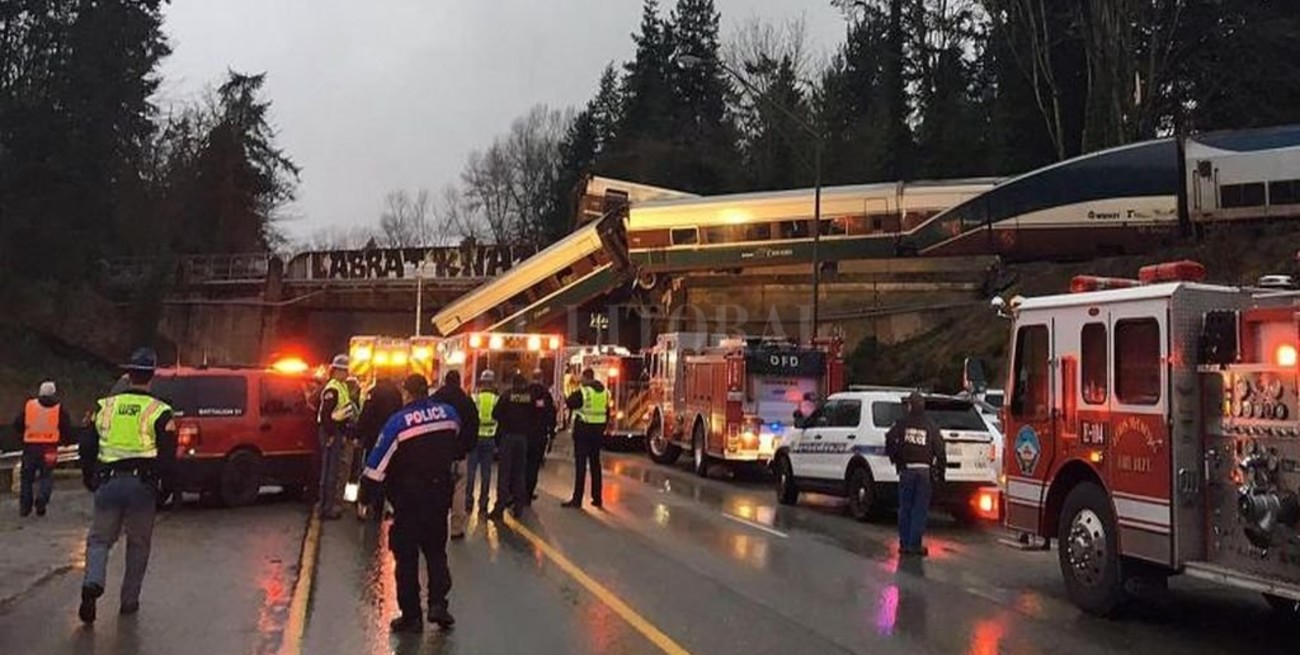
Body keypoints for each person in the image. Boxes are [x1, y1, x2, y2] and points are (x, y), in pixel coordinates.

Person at [77, 348, 177, 623]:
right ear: (152, 375)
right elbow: (168, 455)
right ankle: (129, 601)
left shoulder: (103, 407)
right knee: (138, 544)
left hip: (107, 482)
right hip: (141, 486)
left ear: (128, 374)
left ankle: (93, 581)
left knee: (99, 540)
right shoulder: (160, 411)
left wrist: (89, 476)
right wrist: (166, 487)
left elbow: (86, 445)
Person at [363, 374, 461, 633]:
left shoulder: (398, 423)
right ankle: (438, 604)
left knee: (406, 558)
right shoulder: (448, 414)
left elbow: (376, 466)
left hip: (409, 500)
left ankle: (411, 616)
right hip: (439, 496)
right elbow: (458, 440)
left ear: (407, 393)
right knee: (436, 552)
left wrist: (366, 497)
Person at [885, 392, 946, 557]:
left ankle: (904, 544)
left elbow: (889, 439)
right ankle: (914, 544)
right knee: (920, 509)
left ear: (910, 406)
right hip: (924, 472)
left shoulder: (902, 423)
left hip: (907, 470)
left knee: (905, 508)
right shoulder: (930, 425)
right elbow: (940, 450)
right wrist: (941, 473)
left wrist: (896, 459)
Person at [12, 381, 73, 517]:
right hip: (49, 447)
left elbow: (17, 424)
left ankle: (25, 507)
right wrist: (66, 442)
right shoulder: (59, 409)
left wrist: (21, 438)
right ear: (54, 393)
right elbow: (66, 427)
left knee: (27, 478)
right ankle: (42, 499)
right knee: (46, 475)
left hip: (30, 446)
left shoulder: (30, 406)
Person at [430, 370, 478, 538]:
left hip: (437, 455)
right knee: (459, 490)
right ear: (459, 382)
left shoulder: (434, 400)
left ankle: (435, 526)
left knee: (436, 489)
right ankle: (456, 529)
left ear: (445, 381)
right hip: (458, 454)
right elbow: (473, 425)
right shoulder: (466, 401)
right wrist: (467, 448)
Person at [355, 377, 403, 521]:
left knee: (371, 470)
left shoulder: (373, 392)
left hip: (374, 437)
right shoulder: (397, 393)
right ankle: (380, 505)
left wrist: (358, 433)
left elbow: (366, 414)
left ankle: (365, 502)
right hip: (391, 439)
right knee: (388, 471)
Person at [317, 354, 357, 520]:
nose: (347, 374)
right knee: (330, 471)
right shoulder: (332, 389)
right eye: (345, 371)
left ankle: (329, 506)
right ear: (337, 371)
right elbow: (326, 416)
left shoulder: (341, 387)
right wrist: (332, 435)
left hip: (337, 432)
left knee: (334, 470)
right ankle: (326, 508)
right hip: (331, 432)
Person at [489, 372, 535, 519]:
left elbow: (495, 414)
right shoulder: (529, 397)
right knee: (519, 474)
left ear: (513, 383)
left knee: (504, 473)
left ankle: (500, 507)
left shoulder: (507, 396)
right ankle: (518, 507)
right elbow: (534, 415)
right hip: (522, 439)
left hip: (508, 437)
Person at [563, 368, 609, 509]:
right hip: (598, 432)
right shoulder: (605, 392)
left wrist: (569, 387)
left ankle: (577, 499)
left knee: (581, 466)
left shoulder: (583, 392)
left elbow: (569, 402)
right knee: (595, 464)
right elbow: (607, 412)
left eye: (582, 378)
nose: (581, 380)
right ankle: (597, 498)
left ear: (586, 378)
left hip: (583, 431)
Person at [465, 370, 498, 515]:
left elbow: (469, 419)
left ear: (481, 383)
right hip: (490, 438)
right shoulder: (496, 400)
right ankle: (483, 502)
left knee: (471, 472)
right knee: (486, 473)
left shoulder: (474, 398)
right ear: (492, 384)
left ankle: (468, 501)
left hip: (475, 439)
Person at [524, 369, 557, 501]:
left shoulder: (525, 392)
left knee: (523, 465)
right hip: (539, 435)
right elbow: (551, 415)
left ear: (532, 377)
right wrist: (552, 433)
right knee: (534, 465)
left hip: (524, 434)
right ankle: (529, 493)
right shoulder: (545, 394)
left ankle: (519, 492)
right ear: (542, 378)